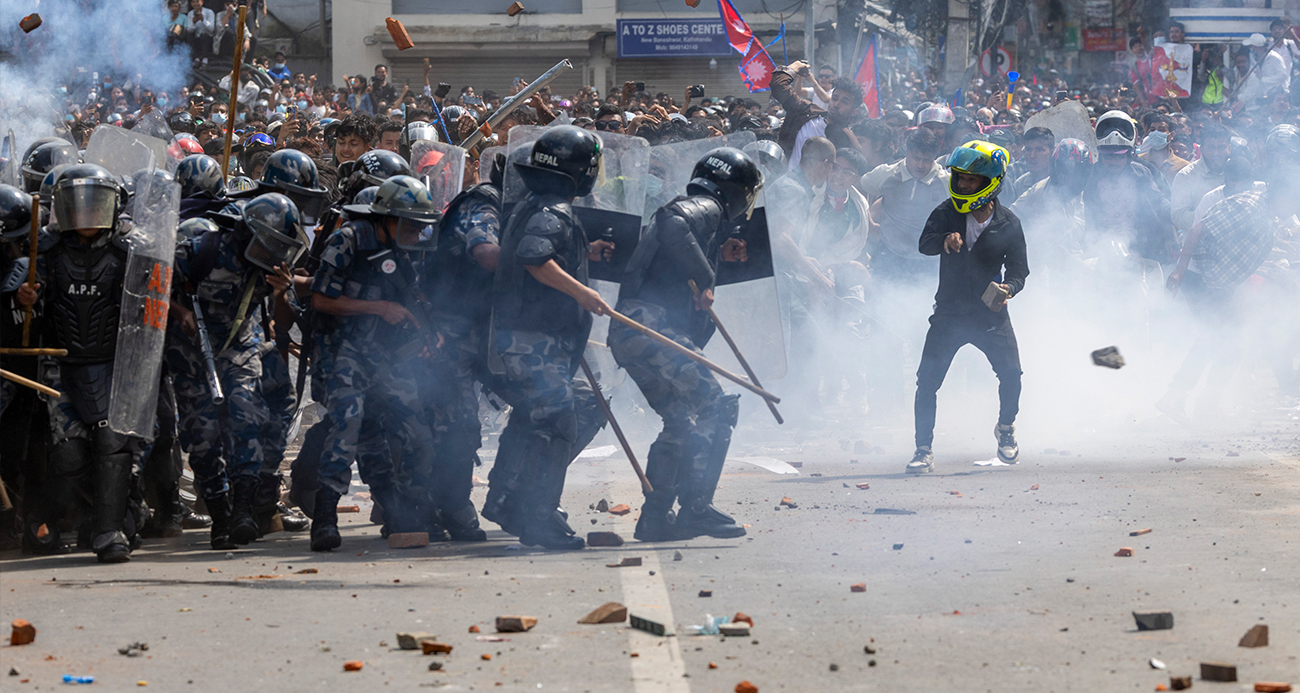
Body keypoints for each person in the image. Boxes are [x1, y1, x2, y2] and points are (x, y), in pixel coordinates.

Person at [609, 147, 761, 542]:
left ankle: (656, 518)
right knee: (717, 407)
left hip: (631, 332)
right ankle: (696, 510)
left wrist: (717, 260)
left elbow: (669, 264)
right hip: (650, 327)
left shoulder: (704, 219)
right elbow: (672, 223)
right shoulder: (704, 206)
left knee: (680, 419)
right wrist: (706, 275)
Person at [484, 126, 612, 550]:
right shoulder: (553, 210)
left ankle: (507, 497)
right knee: (558, 419)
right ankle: (537, 516)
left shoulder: (537, 205)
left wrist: (584, 251)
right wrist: (584, 293)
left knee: (550, 414)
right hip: (532, 340)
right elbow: (535, 259)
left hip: (534, 338)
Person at [309, 175, 445, 551]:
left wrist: (427, 332)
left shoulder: (409, 249)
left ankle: (400, 509)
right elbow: (320, 300)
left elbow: (413, 300)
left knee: (413, 430)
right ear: (386, 217)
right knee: (347, 428)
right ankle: (324, 516)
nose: (416, 232)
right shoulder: (349, 240)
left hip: (389, 357)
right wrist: (378, 309)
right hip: (345, 353)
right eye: (410, 223)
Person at [15, 165, 142, 562]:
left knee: (112, 444)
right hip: (61, 366)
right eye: (78, 203)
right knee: (70, 456)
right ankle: (71, 516)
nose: (87, 213)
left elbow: (152, 305)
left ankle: (110, 532)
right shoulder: (44, 250)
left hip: (113, 366)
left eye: (95, 202)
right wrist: (26, 300)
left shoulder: (130, 249)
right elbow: (23, 302)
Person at [167, 193, 297, 550]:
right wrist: (181, 313)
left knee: (246, 416)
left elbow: (283, 324)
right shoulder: (201, 251)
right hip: (190, 355)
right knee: (203, 436)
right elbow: (151, 286)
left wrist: (283, 294)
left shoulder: (268, 266)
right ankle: (220, 516)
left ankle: (243, 509)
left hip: (240, 348)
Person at [1160, 125, 1300, 424]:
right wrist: (1180, 271)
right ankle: (1181, 397)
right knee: (1218, 338)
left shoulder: (1268, 216)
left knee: (1225, 339)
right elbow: (1197, 229)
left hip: (1222, 280)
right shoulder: (1249, 207)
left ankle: (1195, 400)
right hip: (1202, 276)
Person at [907, 141, 1028, 474]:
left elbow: (1020, 270)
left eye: (971, 180)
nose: (962, 185)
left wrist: (1009, 289)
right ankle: (923, 449)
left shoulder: (1009, 223)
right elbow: (924, 244)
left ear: (990, 182)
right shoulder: (947, 212)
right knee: (927, 381)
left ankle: (1005, 429)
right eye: (959, 178)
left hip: (990, 317)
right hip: (948, 315)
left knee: (1012, 375)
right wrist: (944, 240)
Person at [860, 128, 951, 281]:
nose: (920, 165)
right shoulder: (888, 174)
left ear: (935, 156)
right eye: (916, 158)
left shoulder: (945, 182)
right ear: (906, 152)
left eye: (927, 159)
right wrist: (869, 224)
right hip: (888, 254)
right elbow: (859, 188)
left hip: (928, 261)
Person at [770, 61, 862, 164]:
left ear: (854, 111)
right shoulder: (806, 112)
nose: (836, 104)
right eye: (835, 98)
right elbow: (779, 86)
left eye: (845, 102)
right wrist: (796, 66)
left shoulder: (849, 143)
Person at [1171, 123, 1231, 236]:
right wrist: (1212, 220)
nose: (1216, 153)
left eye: (1221, 147)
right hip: (1199, 247)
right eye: (1211, 147)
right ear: (1201, 149)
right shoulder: (1186, 175)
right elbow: (1177, 216)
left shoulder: (1236, 171)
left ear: (1229, 148)